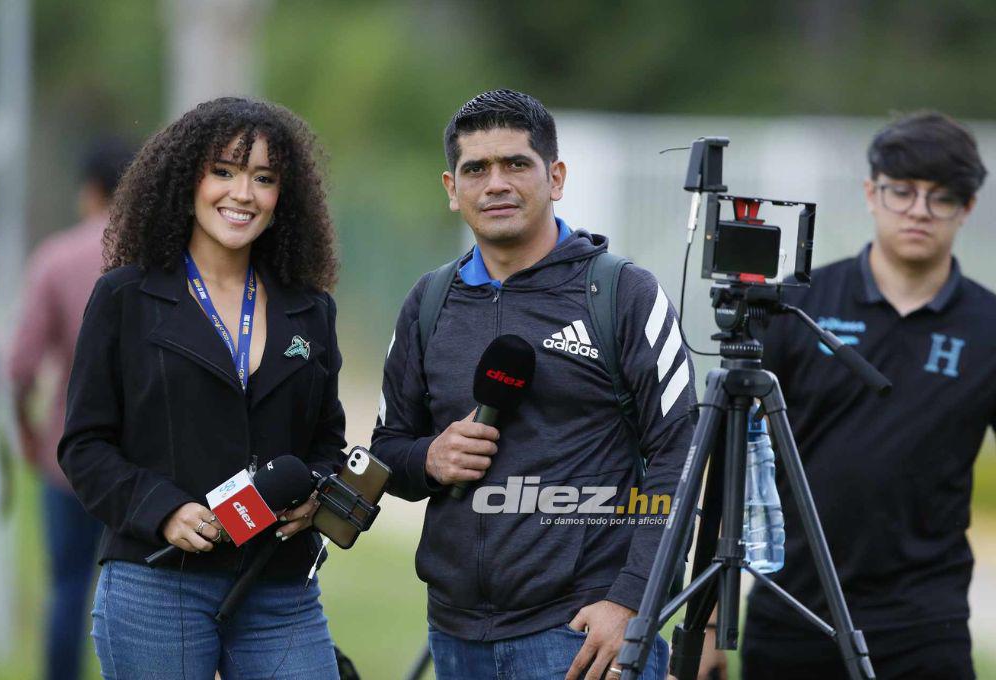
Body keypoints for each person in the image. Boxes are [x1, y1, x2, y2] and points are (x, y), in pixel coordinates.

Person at [372, 89, 696, 680]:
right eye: (476, 169)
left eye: (516, 164)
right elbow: (388, 448)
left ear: (556, 177)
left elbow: (682, 454)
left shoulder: (623, 294)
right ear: (452, 189)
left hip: (582, 635)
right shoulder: (429, 301)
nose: (496, 183)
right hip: (454, 635)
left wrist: (631, 600)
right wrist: (430, 458)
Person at [58, 97, 345, 679]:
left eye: (263, 178)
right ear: (187, 178)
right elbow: (84, 447)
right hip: (156, 585)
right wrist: (164, 512)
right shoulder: (125, 297)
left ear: (281, 196)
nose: (242, 193)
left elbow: (327, 445)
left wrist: (317, 494)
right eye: (224, 171)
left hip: (279, 586)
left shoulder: (310, 310)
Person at [720, 112, 991, 680]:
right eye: (902, 191)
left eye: (942, 197)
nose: (919, 210)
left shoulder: (988, 327)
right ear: (872, 193)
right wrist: (714, 621)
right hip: (791, 610)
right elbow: (729, 458)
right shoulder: (798, 306)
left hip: (924, 623)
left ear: (967, 209)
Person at [6, 138, 133, 680]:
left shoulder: (56, 258)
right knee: (138, 594)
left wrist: (28, 434)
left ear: (89, 192)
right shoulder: (160, 258)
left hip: (68, 458)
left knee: (67, 588)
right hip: (142, 465)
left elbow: (19, 368)